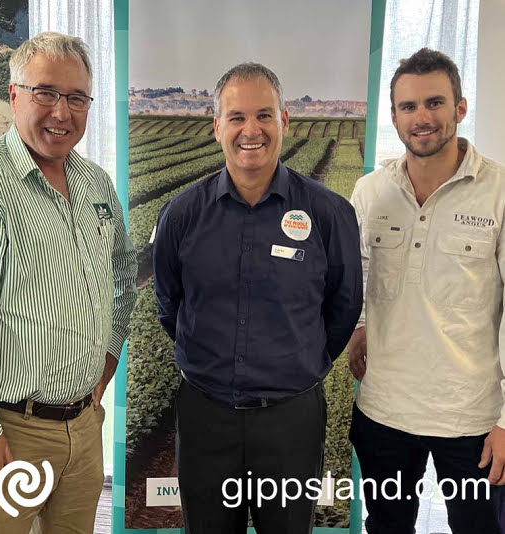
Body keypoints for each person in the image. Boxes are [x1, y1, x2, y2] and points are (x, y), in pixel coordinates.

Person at [153, 62, 362, 534]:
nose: (252, 130)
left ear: (285, 121)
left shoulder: (328, 214)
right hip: (207, 415)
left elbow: (344, 307)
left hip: (291, 421)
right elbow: (170, 304)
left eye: (265, 115)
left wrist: (297, 361)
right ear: (216, 127)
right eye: (237, 117)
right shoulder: (182, 214)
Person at [0, 32, 137, 533]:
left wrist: (106, 364)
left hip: (83, 427)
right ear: (15, 94)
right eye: (46, 93)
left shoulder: (95, 183)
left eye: (76, 98)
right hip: (9, 431)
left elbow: (125, 279)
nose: (61, 112)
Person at [349, 47, 505, 534]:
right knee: (387, 526)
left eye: (435, 103)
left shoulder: (498, 191)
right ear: (393, 116)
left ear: (460, 108)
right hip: (384, 410)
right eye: (408, 107)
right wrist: (358, 328)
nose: (422, 118)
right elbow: (357, 274)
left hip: (472, 418)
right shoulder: (370, 191)